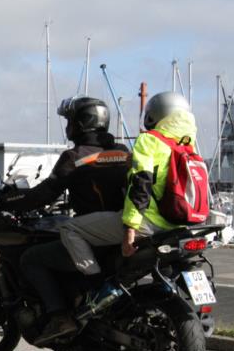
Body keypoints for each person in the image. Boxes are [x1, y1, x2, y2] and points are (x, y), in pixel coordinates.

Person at [0, 97, 130, 345]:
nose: (68, 126)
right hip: (122, 231)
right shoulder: (122, 152)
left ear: (80, 123)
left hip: (93, 236)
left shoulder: (74, 156)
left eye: (70, 120)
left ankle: (59, 316)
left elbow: (45, 193)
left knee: (31, 258)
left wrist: (8, 202)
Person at [58, 92, 198, 309]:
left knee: (69, 229)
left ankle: (98, 290)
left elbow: (141, 185)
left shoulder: (150, 141)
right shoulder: (187, 145)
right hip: (178, 223)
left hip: (148, 222)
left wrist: (130, 229)